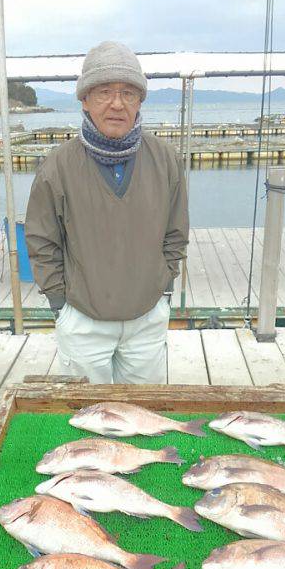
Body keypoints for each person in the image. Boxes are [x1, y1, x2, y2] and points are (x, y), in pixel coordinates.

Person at [25, 40, 188, 384]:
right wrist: (60, 305)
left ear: (140, 100)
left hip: (147, 317)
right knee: (90, 419)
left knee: (145, 417)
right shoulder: (57, 166)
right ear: (84, 99)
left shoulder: (166, 159)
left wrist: (162, 287)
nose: (117, 103)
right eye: (103, 92)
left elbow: (176, 234)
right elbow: (42, 242)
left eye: (129, 92)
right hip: (82, 320)